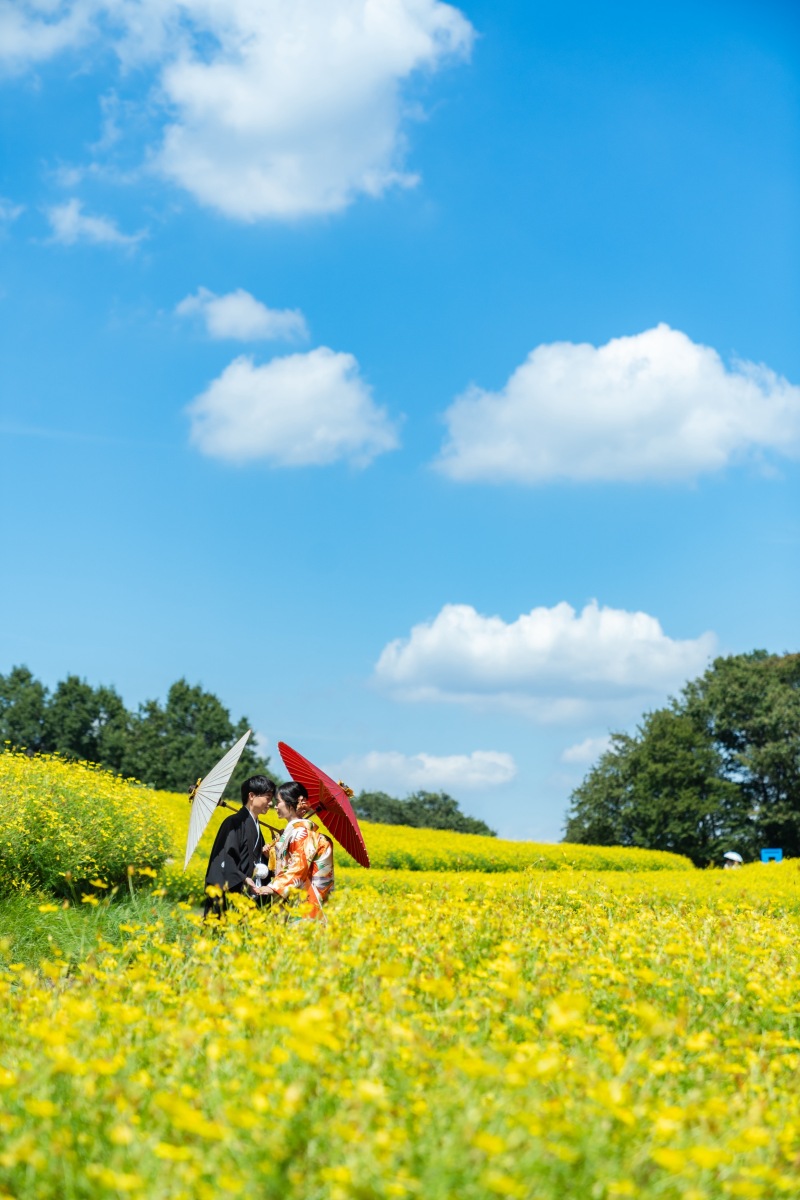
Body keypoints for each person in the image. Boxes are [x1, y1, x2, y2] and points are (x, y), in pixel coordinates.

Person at [252, 782, 334, 919]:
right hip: (292, 896)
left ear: (292, 803)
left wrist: (273, 887)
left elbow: (299, 867)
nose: (276, 806)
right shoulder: (295, 831)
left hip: (301, 900)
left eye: (278, 802)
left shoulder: (300, 832)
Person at [203, 775, 276, 917]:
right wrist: (243, 878)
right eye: (268, 797)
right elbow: (226, 858)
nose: (271, 803)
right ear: (252, 796)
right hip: (236, 890)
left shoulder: (255, 825)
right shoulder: (233, 822)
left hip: (251, 891)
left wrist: (265, 856)